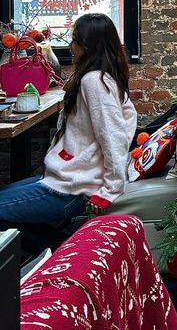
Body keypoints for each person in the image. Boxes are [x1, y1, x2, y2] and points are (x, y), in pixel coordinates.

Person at [0, 13, 136, 239]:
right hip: (65, 179)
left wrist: (110, 190)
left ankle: (55, 246)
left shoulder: (94, 81)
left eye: (74, 40)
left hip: (73, 189)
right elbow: (128, 116)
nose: (71, 46)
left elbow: (114, 136)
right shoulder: (104, 77)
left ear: (87, 45)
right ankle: (52, 242)